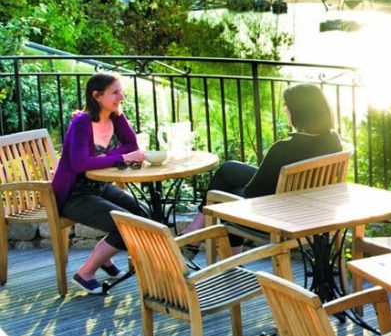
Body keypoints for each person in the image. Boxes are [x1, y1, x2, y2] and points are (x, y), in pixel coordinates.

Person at [182, 83, 342, 234]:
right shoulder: (332, 140)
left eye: (287, 106)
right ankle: (196, 229)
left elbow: (253, 193)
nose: (285, 110)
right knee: (228, 168)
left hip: (278, 216)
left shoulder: (283, 149)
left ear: (299, 111)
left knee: (228, 193)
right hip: (313, 208)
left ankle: (202, 235)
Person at [52, 72, 150, 294]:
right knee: (125, 225)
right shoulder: (81, 122)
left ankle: (105, 258)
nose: (121, 97)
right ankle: (85, 273)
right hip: (73, 195)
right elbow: (79, 163)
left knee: (142, 213)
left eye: (121, 91)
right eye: (115, 92)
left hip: (99, 187)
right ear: (97, 96)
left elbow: (132, 145)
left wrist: (104, 157)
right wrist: (121, 158)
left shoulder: (114, 117)